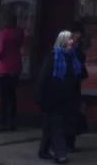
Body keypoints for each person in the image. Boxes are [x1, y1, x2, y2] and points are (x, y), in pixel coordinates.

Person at [35, 31, 82, 163]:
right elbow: (42, 79)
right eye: (68, 40)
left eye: (71, 39)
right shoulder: (52, 57)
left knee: (56, 126)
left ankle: (43, 150)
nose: (71, 42)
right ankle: (60, 153)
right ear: (62, 41)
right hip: (52, 99)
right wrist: (39, 98)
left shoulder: (73, 58)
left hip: (67, 99)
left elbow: (79, 75)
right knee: (57, 126)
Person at [0, 14, 24, 132]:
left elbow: (0, 51)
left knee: (3, 97)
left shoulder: (3, 33)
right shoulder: (19, 32)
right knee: (12, 97)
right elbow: (20, 44)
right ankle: (12, 123)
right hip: (16, 66)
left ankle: (2, 123)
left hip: (4, 68)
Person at [65, 21, 89, 151]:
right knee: (70, 112)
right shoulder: (72, 47)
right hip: (70, 83)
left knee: (71, 112)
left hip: (71, 83)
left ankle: (69, 140)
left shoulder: (75, 46)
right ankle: (69, 140)